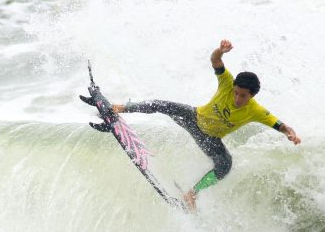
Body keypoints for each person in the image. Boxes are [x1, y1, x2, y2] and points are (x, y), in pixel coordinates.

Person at [112, 39, 301, 211]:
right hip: (193, 118)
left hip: (209, 139)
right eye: (236, 93)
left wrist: (290, 134)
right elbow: (215, 61)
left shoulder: (256, 111)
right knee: (163, 105)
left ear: (252, 96)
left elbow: (282, 125)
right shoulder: (227, 83)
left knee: (225, 165)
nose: (237, 98)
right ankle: (122, 107)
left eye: (243, 96)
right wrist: (220, 50)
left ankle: (192, 194)